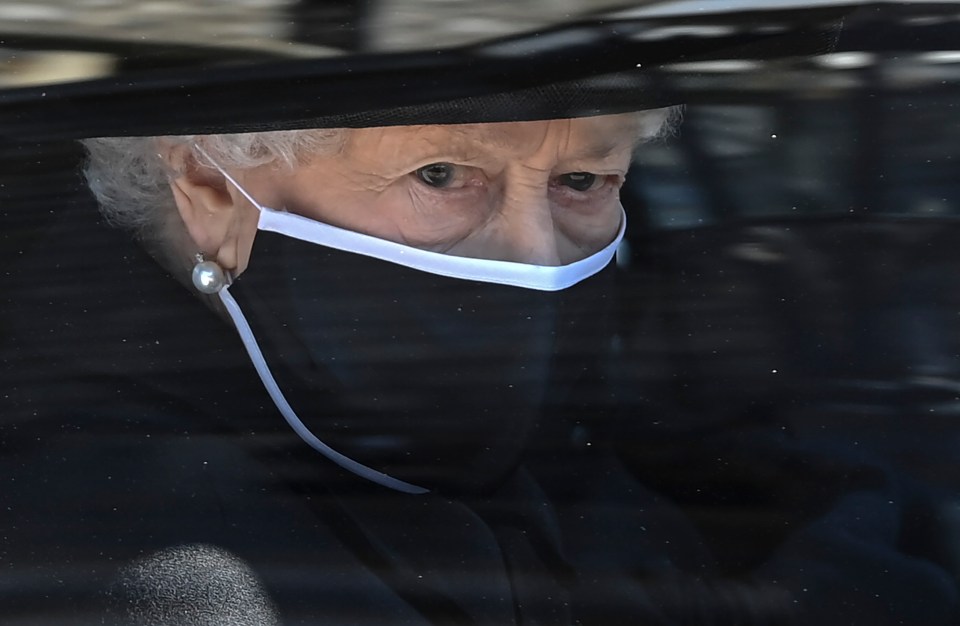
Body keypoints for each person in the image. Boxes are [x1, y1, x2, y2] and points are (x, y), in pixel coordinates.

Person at [1, 110, 957, 625]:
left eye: (584, 181)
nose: (537, 253)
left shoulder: (616, 406)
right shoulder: (118, 551)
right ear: (210, 185)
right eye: (444, 175)